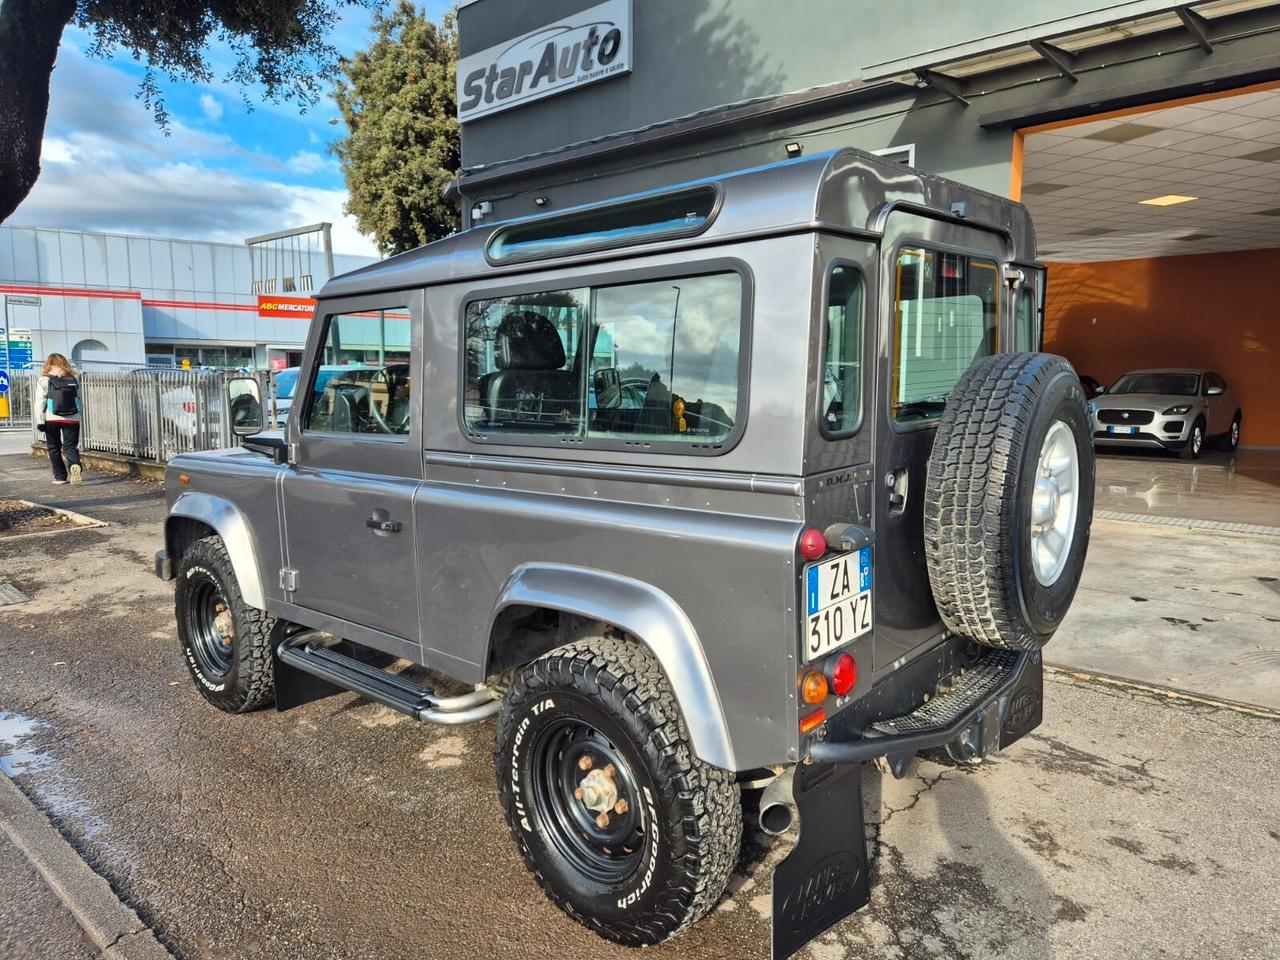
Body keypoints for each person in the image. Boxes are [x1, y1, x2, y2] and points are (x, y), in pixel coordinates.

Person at [34, 353, 84, 485]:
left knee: (54, 447)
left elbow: (40, 401)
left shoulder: (44, 379)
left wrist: (40, 420)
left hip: (52, 418)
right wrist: (79, 416)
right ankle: (75, 465)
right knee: (70, 447)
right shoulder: (74, 378)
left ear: (48, 364)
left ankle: (60, 476)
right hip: (72, 418)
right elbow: (78, 399)